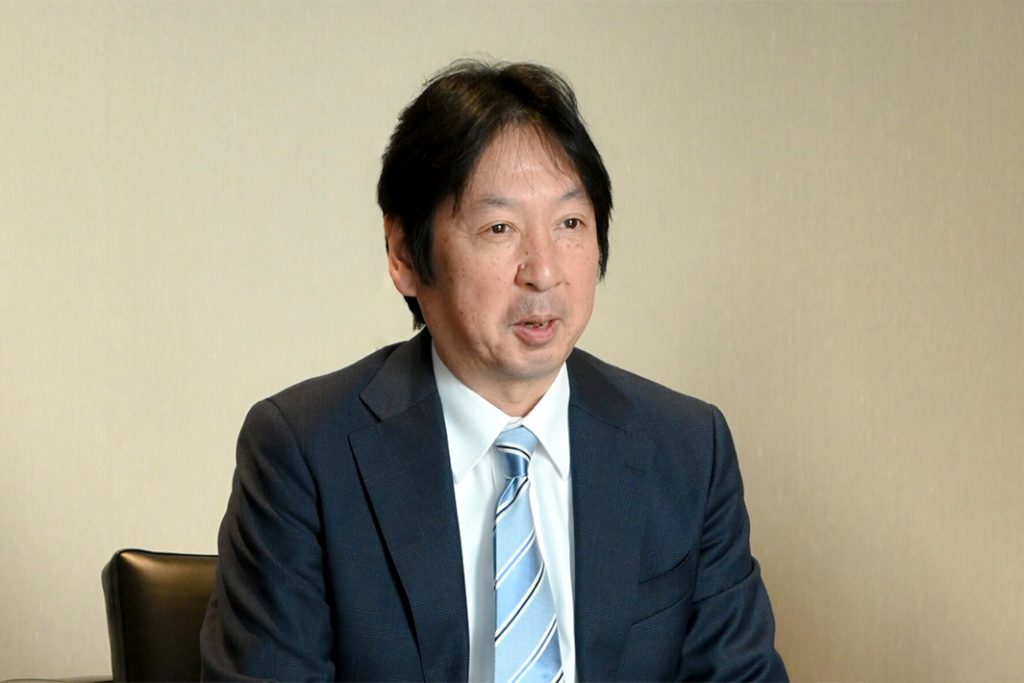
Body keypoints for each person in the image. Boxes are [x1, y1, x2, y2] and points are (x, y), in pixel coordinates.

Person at [200, 60, 787, 682]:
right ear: (403, 254)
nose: (544, 271)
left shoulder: (687, 447)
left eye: (569, 224)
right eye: (499, 227)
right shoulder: (305, 452)